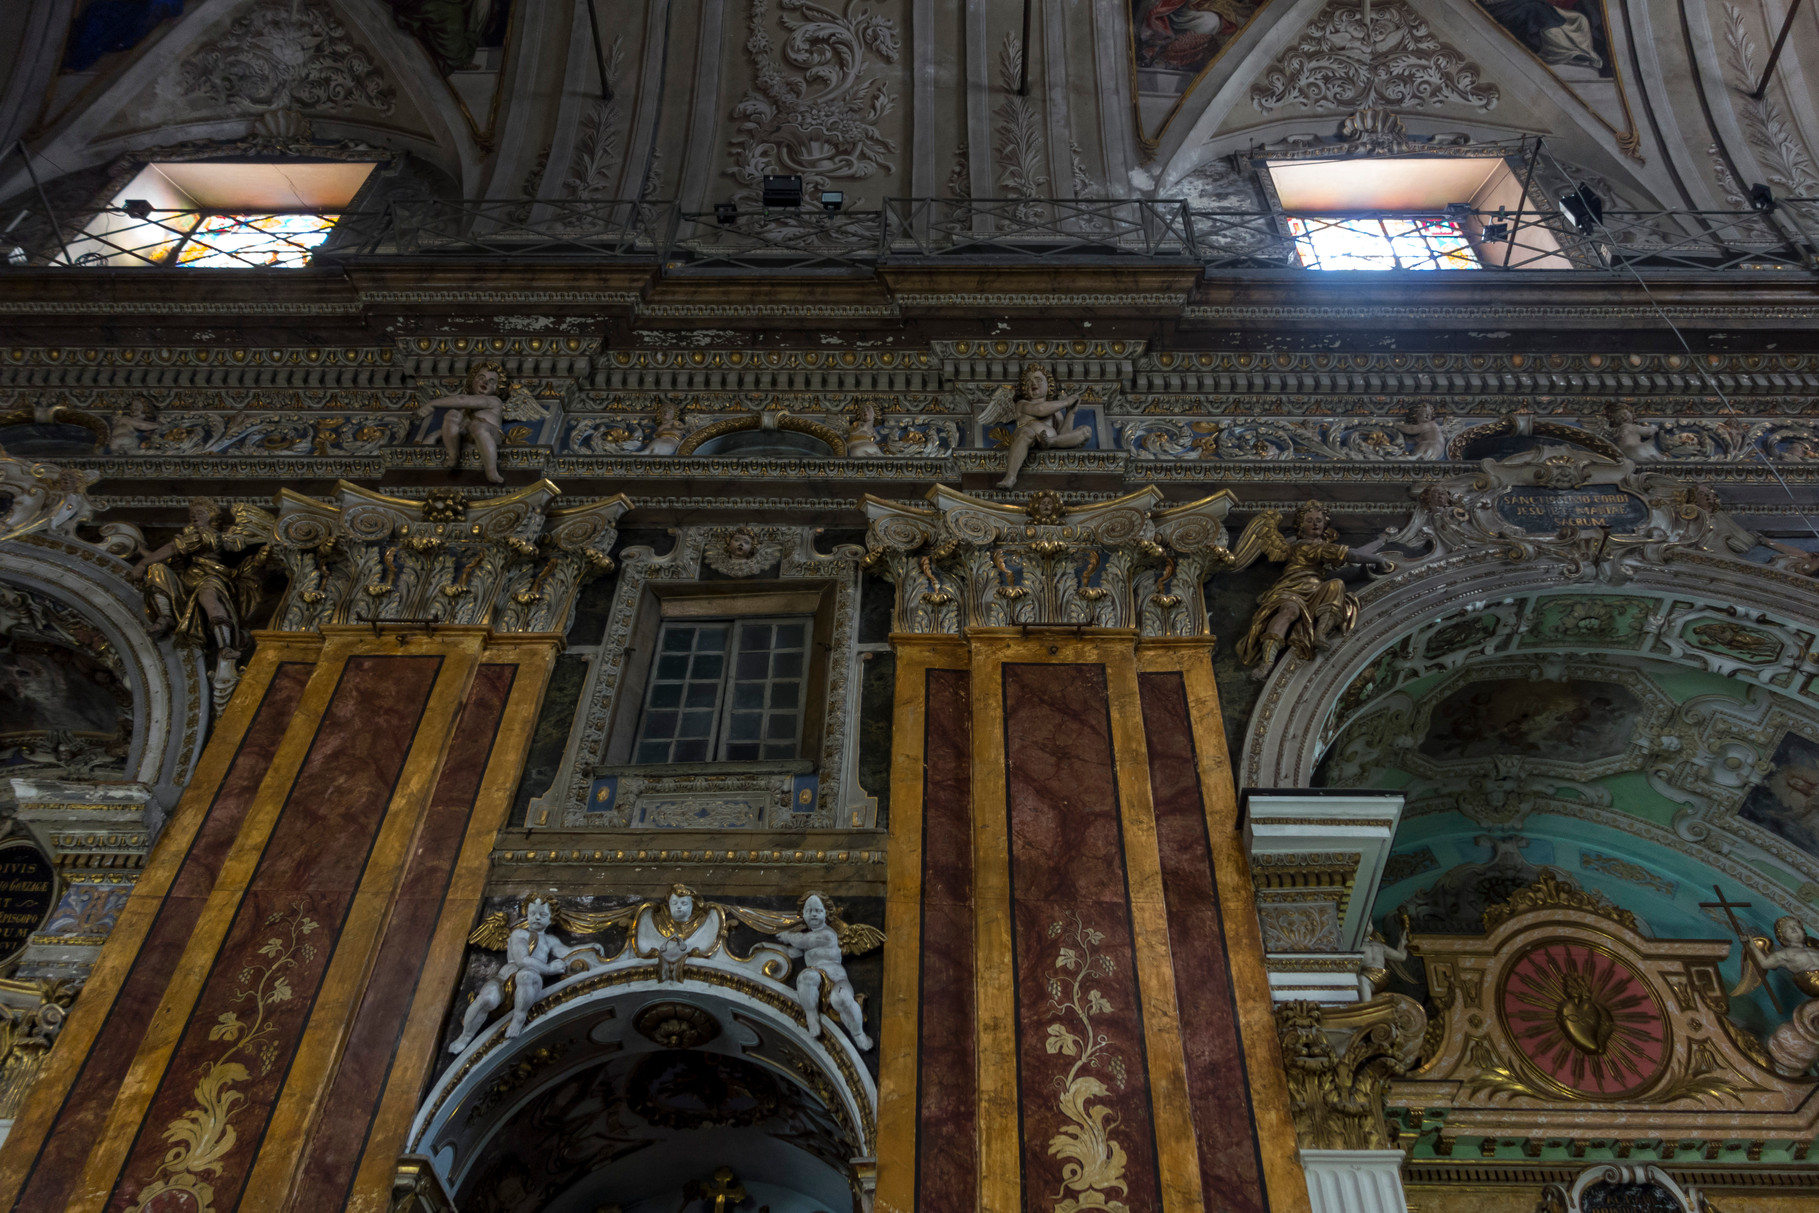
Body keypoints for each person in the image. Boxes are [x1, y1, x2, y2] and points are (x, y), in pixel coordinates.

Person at [447, 898, 602, 1050]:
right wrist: (549, 969)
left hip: (531, 980)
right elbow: (522, 960)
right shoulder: (519, 934)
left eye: (542, 914)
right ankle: (465, 1036)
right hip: (505, 977)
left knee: (526, 975)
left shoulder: (550, 940)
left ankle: (519, 1017)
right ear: (527, 914)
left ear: (551, 919)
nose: (536, 917)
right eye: (533, 913)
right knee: (486, 999)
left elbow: (568, 952)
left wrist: (591, 946)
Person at [775, 893, 873, 1050]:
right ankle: (811, 1016)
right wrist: (768, 947)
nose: (813, 914)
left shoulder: (828, 934)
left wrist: (787, 935)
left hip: (837, 980)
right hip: (816, 979)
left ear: (826, 914)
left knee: (841, 998)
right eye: (809, 911)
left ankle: (858, 1034)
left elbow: (803, 941)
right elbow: (792, 952)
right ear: (803, 915)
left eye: (818, 911)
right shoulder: (808, 942)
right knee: (806, 976)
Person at [987, 363, 1092, 489]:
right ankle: (1010, 477)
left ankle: (1049, 442)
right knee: (1027, 433)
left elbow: (1064, 435)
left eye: (1038, 380)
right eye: (1028, 382)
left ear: (1049, 386)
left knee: (1086, 430)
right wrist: (1065, 402)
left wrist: (1071, 413)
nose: (1033, 383)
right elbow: (1041, 409)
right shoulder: (1022, 404)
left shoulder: (1056, 413)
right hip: (1028, 437)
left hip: (1051, 443)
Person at [418, 364, 506, 483]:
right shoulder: (464, 411)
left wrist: (431, 404)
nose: (485, 382)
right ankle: (453, 456)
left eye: (491, 381)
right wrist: (434, 436)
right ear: (472, 381)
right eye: (481, 377)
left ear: (496, 387)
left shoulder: (494, 401)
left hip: (490, 434)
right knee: (452, 414)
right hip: (468, 437)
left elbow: (462, 400)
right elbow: (457, 426)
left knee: (478, 426)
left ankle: (492, 471)